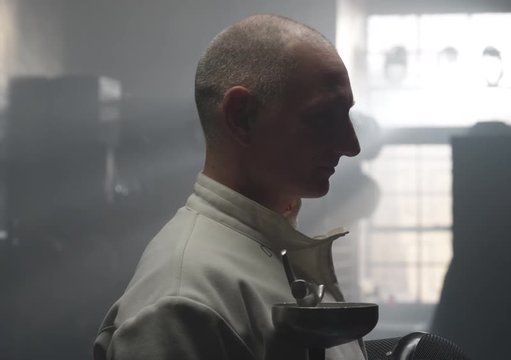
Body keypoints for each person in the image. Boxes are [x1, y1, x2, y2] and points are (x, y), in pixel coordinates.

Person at [93, 14, 364, 360]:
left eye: (347, 115)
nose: (350, 144)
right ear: (242, 117)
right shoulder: (181, 300)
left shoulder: (270, 252)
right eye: (324, 117)